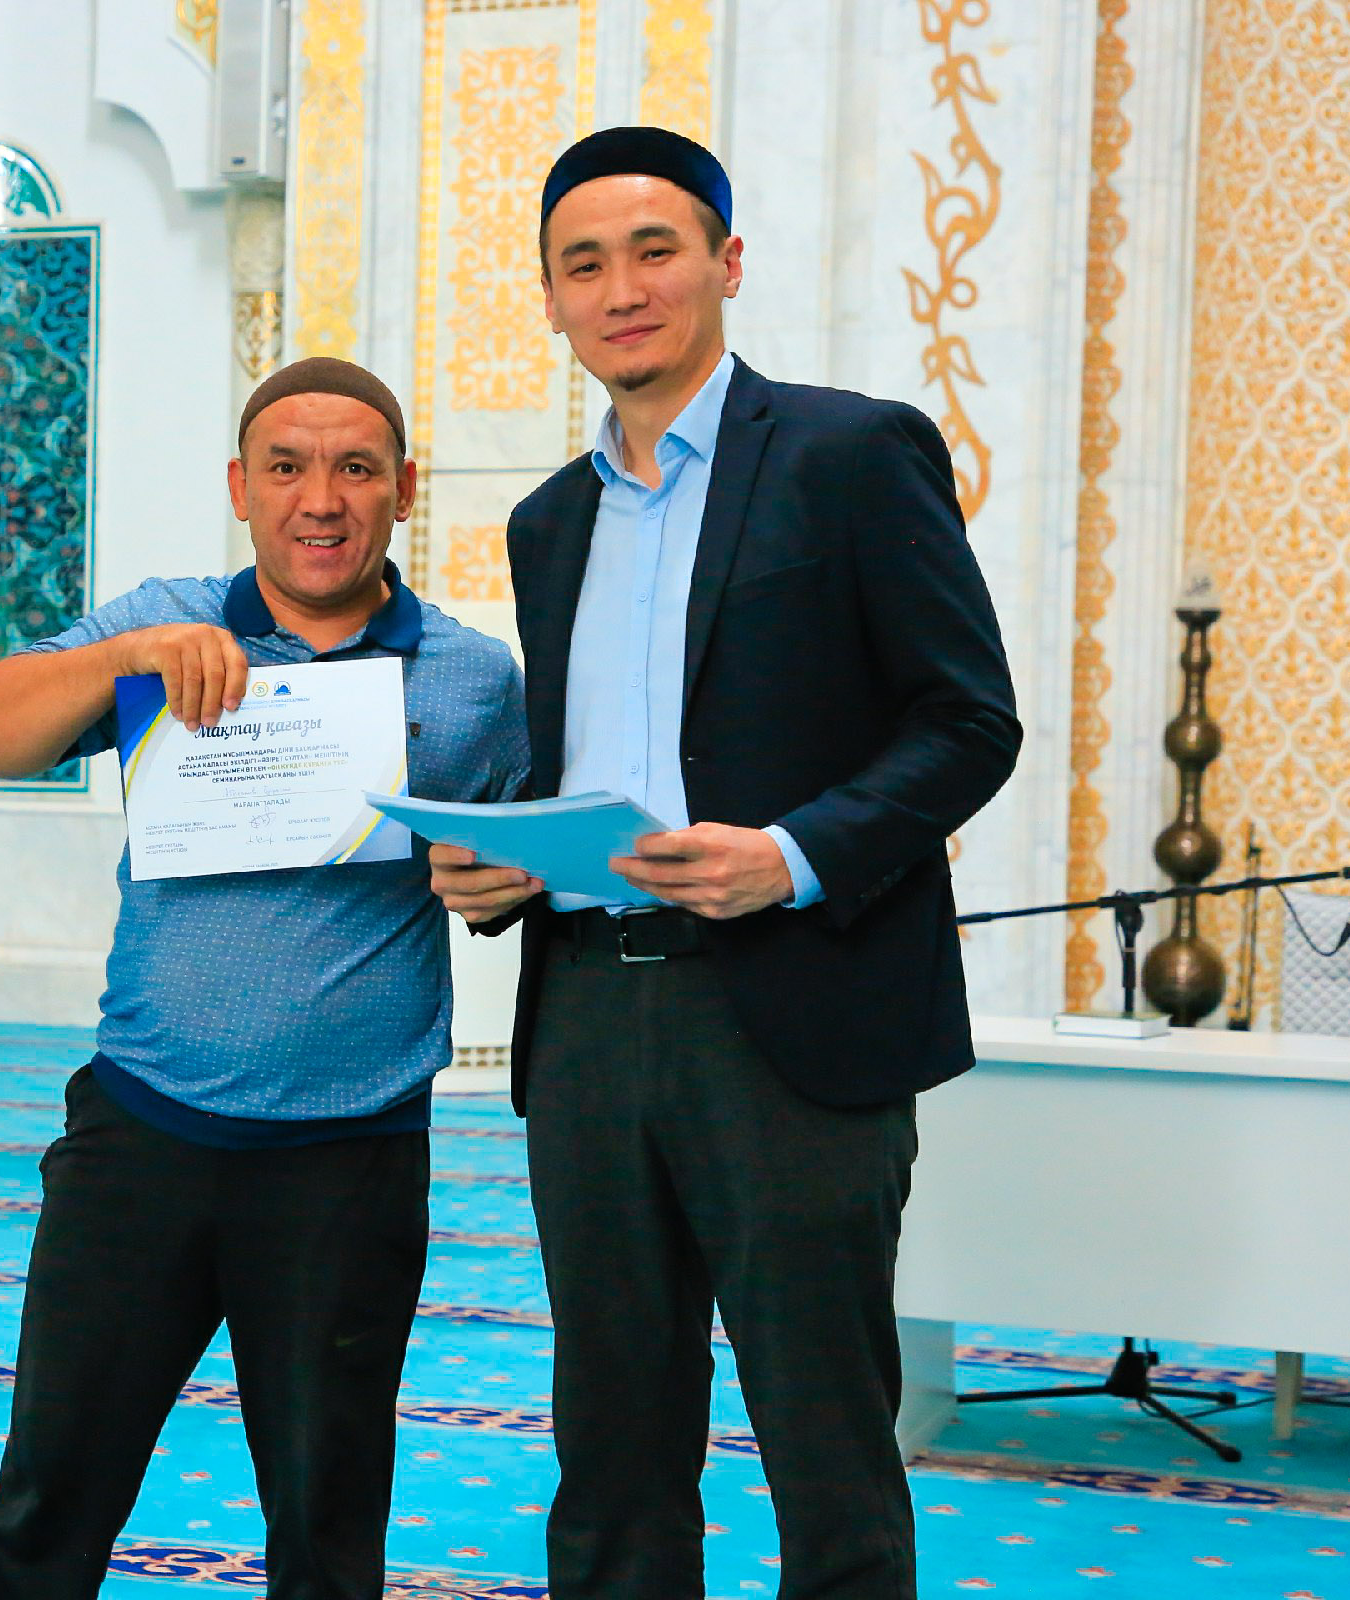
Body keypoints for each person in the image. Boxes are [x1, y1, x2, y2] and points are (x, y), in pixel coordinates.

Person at [428, 127, 1021, 1599]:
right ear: (552, 299)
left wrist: (795, 855)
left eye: (655, 250)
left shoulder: (849, 453)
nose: (621, 288)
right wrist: (506, 860)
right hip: (588, 1021)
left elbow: (969, 721)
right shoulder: (549, 521)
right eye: (584, 265)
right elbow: (591, 758)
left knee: (825, 1443)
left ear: (725, 263)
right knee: (612, 1443)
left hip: (791, 1013)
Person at [0, 356, 529, 1599]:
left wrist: (505, 883)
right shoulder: (163, 626)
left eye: (356, 469)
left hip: (350, 1161)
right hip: (140, 1137)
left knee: (328, 1527)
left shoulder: (474, 680)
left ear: (404, 491)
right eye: (287, 467)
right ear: (241, 487)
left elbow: (518, 865)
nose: (321, 498)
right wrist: (131, 657)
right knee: (50, 1498)